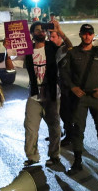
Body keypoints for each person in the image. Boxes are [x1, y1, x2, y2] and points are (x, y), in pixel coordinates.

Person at [65, 23, 98, 174]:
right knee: (78, 130)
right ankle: (77, 162)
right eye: (85, 33)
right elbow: (64, 73)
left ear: (93, 35)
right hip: (80, 98)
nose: (87, 36)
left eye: (90, 33)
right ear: (80, 35)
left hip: (97, 97)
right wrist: (73, 87)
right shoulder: (73, 53)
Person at [23, 17, 71, 171]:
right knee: (30, 127)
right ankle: (32, 157)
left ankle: (54, 156)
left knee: (54, 127)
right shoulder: (27, 49)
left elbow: (69, 48)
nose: (41, 32)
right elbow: (11, 64)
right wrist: (7, 50)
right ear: (32, 33)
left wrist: (60, 31)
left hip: (51, 93)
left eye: (43, 30)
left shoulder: (52, 47)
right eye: (37, 30)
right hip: (34, 94)